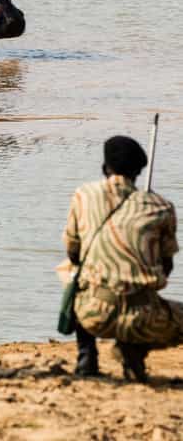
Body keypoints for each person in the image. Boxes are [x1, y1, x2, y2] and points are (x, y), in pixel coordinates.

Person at [64, 135, 179, 382]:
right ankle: (135, 348)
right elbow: (166, 267)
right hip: (146, 318)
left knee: (72, 271)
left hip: (93, 314)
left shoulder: (84, 195)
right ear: (139, 170)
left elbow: (73, 251)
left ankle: (86, 354)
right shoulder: (161, 207)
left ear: (105, 168)